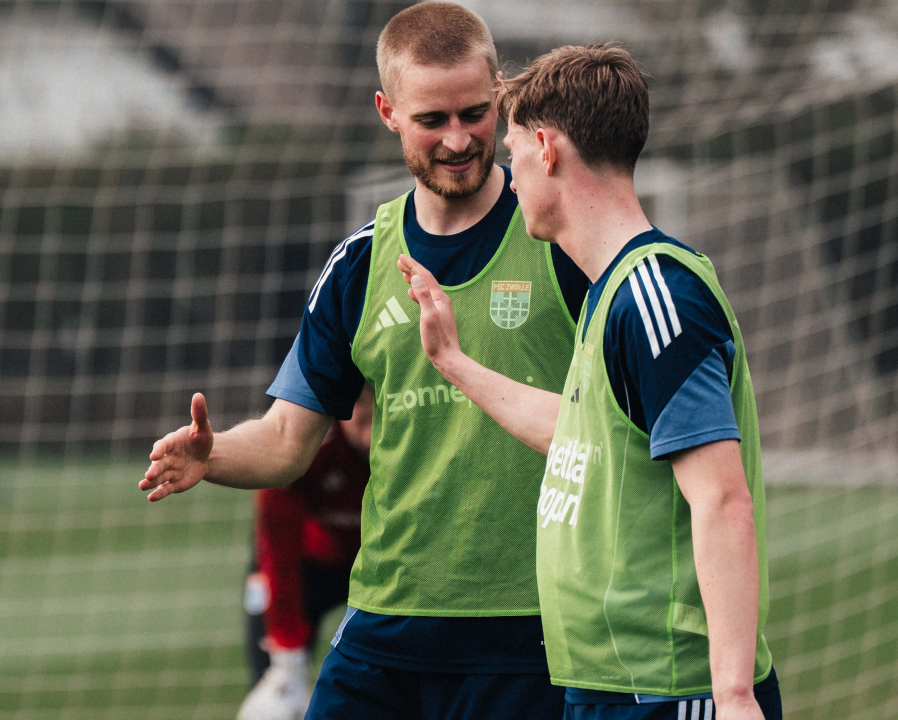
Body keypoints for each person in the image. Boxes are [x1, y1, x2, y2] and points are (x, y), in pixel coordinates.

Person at [142, 4, 589, 717]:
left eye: (475, 113)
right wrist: (213, 455)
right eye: (431, 120)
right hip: (386, 623)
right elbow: (288, 442)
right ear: (387, 111)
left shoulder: (565, 240)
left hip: (531, 631)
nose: (458, 139)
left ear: (502, 96)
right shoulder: (359, 264)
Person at [397, 44, 782, 720]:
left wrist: (733, 694)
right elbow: (581, 437)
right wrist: (453, 361)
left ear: (546, 147)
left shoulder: (658, 296)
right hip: (609, 688)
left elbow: (723, 500)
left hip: (671, 692)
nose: (509, 178)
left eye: (513, 152)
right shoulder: (613, 295)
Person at [237, 390, 370, 720]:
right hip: (307, 563)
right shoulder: (306, 445)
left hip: (378, 567)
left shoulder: (413, 443)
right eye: (361, 412)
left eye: (378, 412)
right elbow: (278, 549)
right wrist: (286, 657)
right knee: (274, 697)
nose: (370, 428)